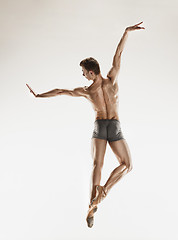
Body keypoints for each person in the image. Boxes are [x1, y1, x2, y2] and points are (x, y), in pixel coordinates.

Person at [26, 21, 145, 228]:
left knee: (97, 166)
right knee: (127, 165)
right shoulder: (111, 81)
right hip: (114, 125)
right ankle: (102, 193)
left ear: (91, 72)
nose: (82, 75)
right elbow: (118, 56)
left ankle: (93, 205)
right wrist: (126, 33)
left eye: (83, 72)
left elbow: (60, 91)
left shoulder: (87, 91)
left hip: (100, 127)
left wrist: (39, 95)